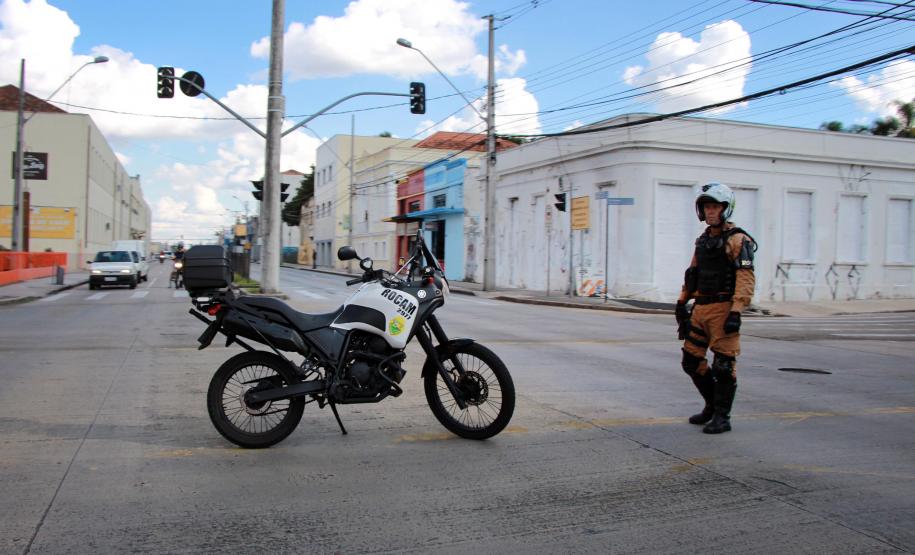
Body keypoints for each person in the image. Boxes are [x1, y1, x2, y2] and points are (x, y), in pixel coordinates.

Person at [676, 182, 757, 434]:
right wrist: (681, 303)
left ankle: (723, 416)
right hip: (700, 309)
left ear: (725, 208)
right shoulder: (702, 241)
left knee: (723, 365)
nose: (710, 212)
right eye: (706, 207)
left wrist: (736, 310)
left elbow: (745, 276)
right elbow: (692, 274)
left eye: (714, 207)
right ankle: (711, 406)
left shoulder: (737, 239)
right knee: (691, 360)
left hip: (723, 309)